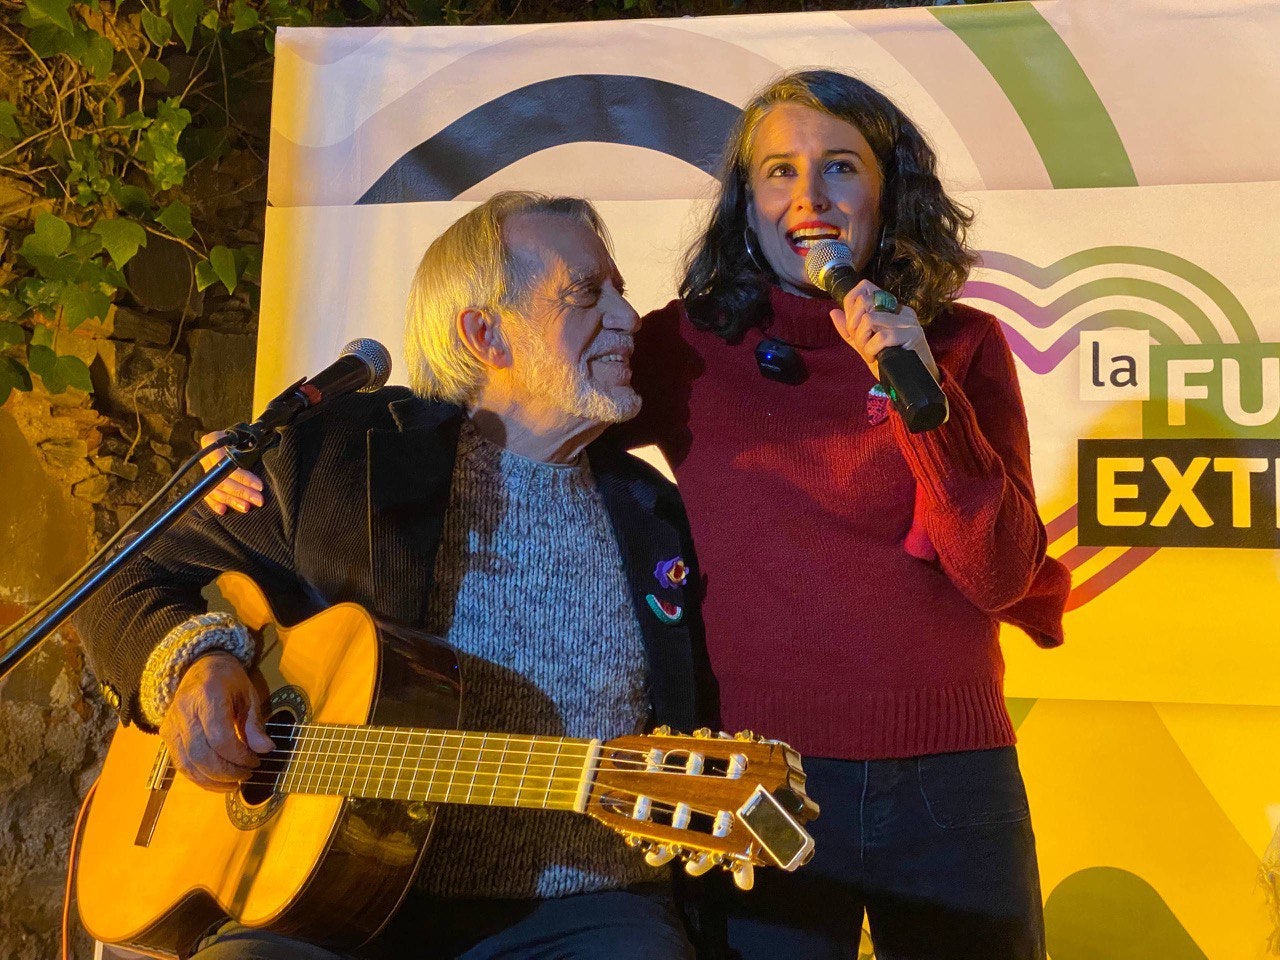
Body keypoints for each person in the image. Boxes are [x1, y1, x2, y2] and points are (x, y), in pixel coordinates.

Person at [204, 70, 1071, 959]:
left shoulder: (958, 344)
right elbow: (514, 392)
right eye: (778, 171)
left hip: (952, 783)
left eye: (841, 166)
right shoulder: (686, 347)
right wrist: (258, 451)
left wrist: (920, 388)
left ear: (889, 191)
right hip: (757, 781)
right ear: (745, 201)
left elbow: (1001, 571)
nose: (809, 196)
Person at [78, 191, 719, 960]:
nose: (627, 317)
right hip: (326, 898)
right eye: (588, 293)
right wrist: (194, 663)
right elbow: (122, 578)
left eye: (620, 289)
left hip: (586, 908)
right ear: (486, 333)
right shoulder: (339, 458)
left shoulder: (652, 512)